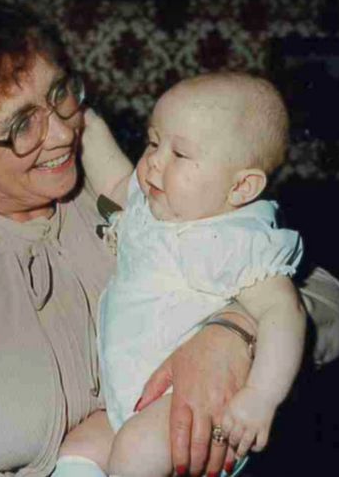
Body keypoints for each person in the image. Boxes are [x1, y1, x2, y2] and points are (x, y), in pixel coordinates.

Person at [0, 2, 339, 476]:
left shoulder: (148, 195)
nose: (64, 134)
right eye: (23, 125)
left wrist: (234, 333)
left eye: (60, 95)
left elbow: (327, 298)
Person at [57, 73, 305, 477]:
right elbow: (115, 177)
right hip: (131, 403)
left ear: (241, 187)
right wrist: (84, 118)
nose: (154, 160)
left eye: (181, 154)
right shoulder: (152, 211)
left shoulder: (233, 240)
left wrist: (261, 396)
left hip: (191, 411)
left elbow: (285, 312)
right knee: (80, 448)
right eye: (154, 142)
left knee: (134, 453)